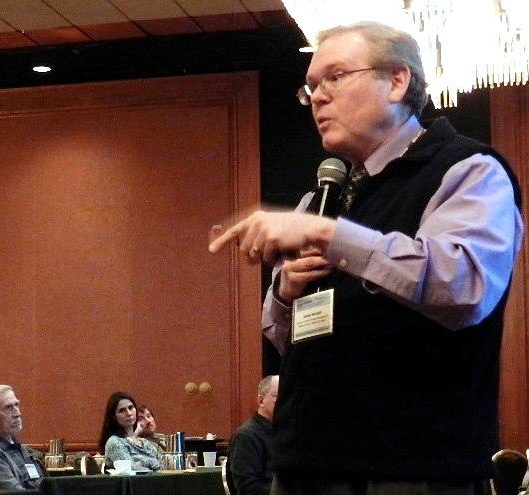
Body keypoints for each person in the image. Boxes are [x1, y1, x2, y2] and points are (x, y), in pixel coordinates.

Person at [209, 21, 523, 495]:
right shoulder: (322, 197)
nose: (317, 96)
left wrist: (328, 234)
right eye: (311, 85)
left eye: (335, 76)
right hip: (302, 465)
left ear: (397, 81)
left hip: (413, 470)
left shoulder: (467, 169)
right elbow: (282, 337)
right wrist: (286, 291)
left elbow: (462, 286)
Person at [227, 375, 278, 495]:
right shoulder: (246, 436)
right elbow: (247, 489)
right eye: (277, 396)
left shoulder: (287, 433)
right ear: (261, 401)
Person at [98, 392, 160, 471]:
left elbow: (164, 466)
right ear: (113, 417)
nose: (129, 413)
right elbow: (131, 469)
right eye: (122, 410)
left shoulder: (144, 442)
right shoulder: (114, 442)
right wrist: (152, 463)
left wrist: (141, 462)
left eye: (131, 408)